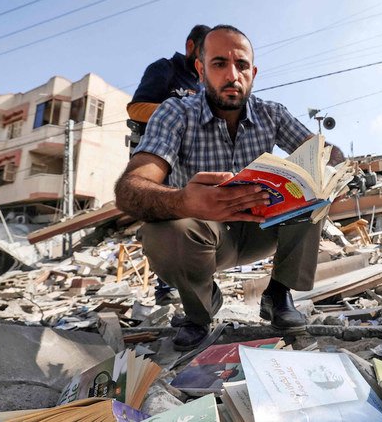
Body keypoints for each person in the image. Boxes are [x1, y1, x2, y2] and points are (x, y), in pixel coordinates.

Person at [115, 25, 344, 351]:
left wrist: (336, 166)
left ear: (253, 72)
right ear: (200, 69)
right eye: (219, 64)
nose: (232, 75)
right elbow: (131, 187)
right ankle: (200, 311)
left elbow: (324, 151)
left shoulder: (272, 114)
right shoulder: (175, 113)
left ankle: (279, 295)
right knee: (162, 233)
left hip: (261, 228)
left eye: (241, 65)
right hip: (204, 234)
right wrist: (183, 202)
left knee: (315, 193)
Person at [126, 24, 211, 306]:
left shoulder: (201, 82)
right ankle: (166, 288)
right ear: (190, 47)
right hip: (156, 153)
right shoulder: (164, 69)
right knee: (163, 214)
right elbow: (136, 108)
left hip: (188, 155)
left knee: (194, 216)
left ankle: (196, 281)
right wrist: (178, 112)